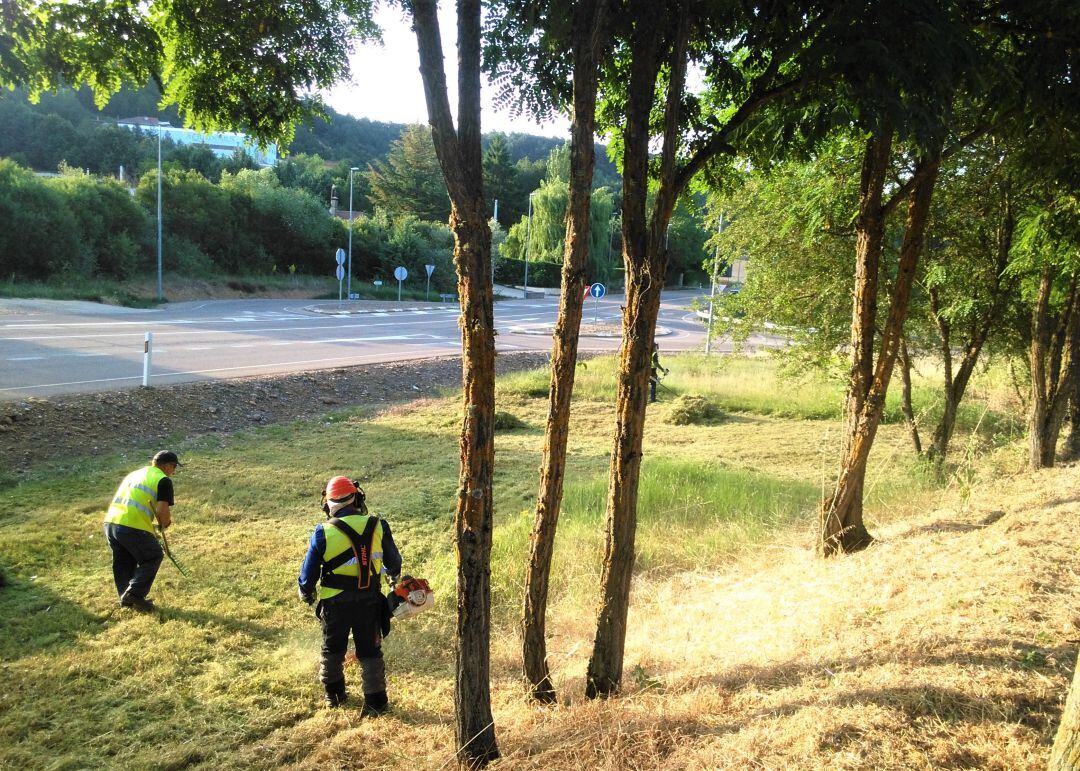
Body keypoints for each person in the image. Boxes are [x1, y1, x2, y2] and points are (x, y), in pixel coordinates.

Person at [297, 476, 402, 713]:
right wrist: (392, 576)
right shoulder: (379, 525)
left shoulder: (322, 532)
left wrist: (306, 592)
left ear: (328, 504)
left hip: (335, 604)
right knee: (370, 653)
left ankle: (334, 696)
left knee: (332, 650)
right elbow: (394, 562)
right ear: (357, 498)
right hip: (370, 601)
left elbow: (308, 575)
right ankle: (376, 704)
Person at [103, 450, 180, 611]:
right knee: (153, 555)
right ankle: (135, 594)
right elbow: (162, 511)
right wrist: (165, 523)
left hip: (111, 523)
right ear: (167, 466)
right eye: (174, 467)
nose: (173, 472)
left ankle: (127, 600)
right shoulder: (163, 480)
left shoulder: (134, 474)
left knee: (124, 561)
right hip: (132, 525)